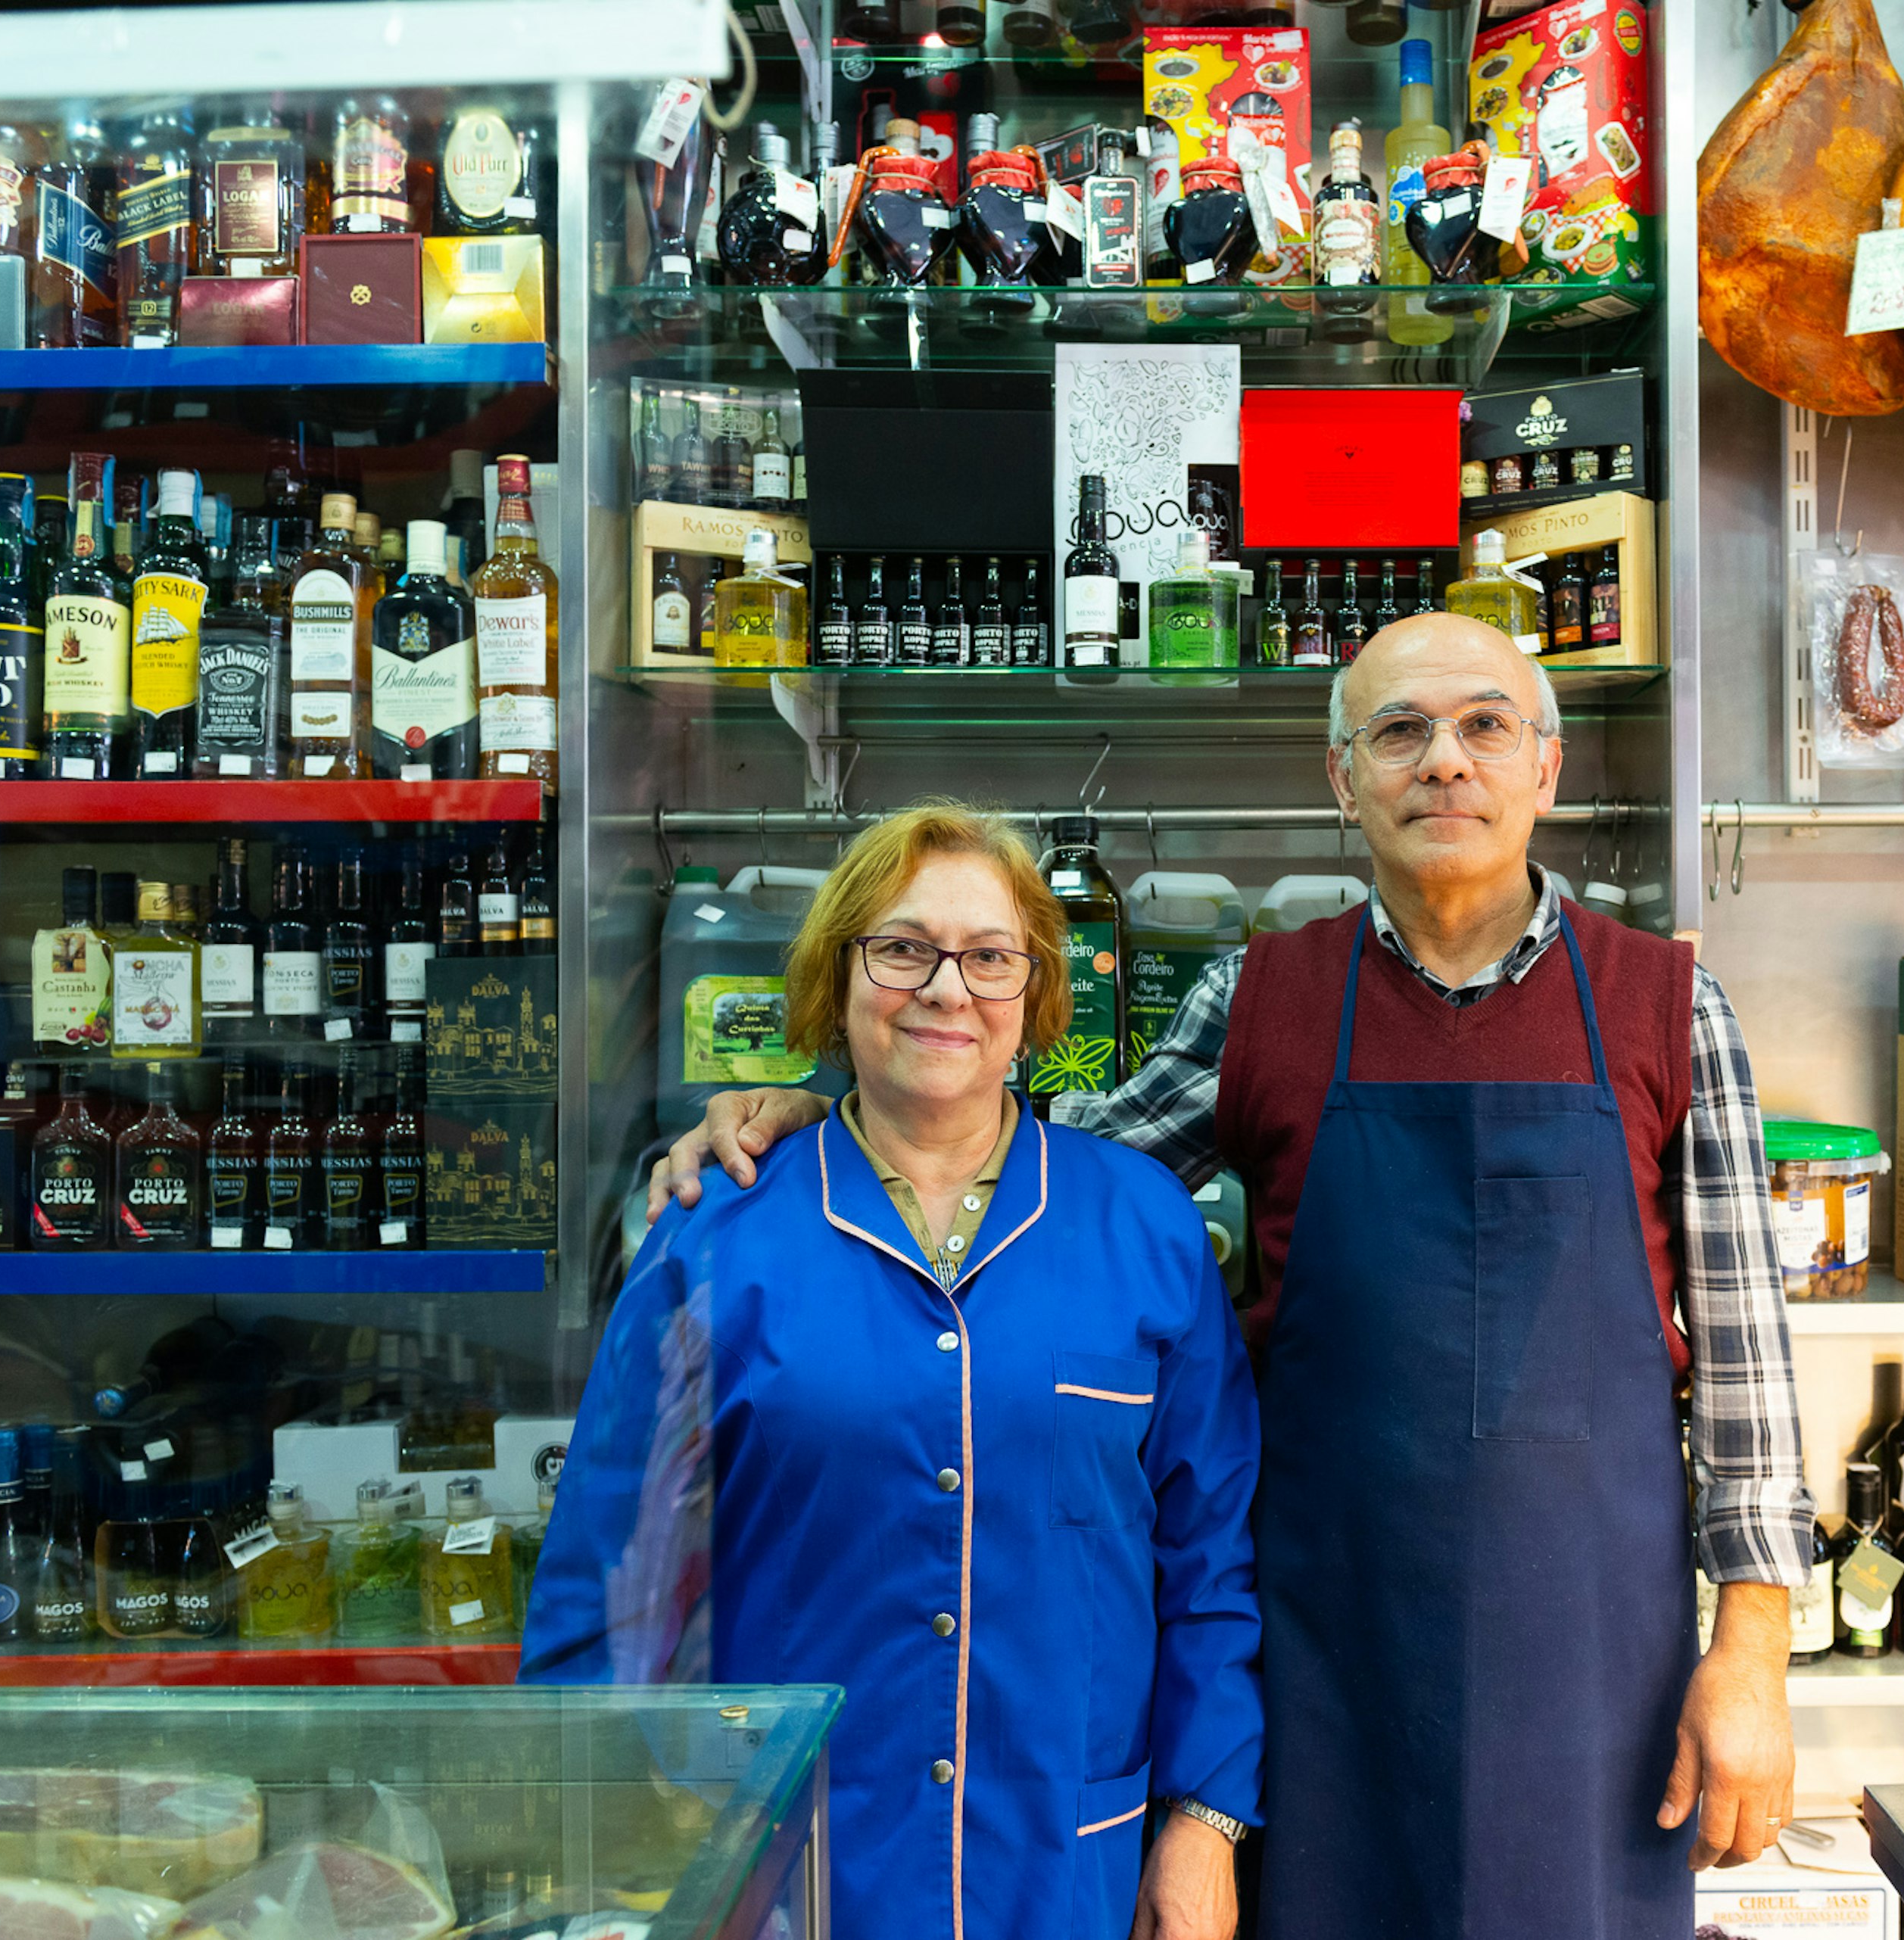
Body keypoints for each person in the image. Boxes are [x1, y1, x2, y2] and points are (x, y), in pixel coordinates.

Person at [652, 616, 1811, 1938]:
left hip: (1592, 1662)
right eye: (1400, 733)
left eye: (1486, 726)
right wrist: (825, 1117)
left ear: (1545, 769)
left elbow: (1746, 1357)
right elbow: (1025, 1163)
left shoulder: (1668, 1005)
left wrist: (1753, 1656)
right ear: (1342, 780)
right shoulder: (1259, 999)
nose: (1446, 763)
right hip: (1323, 1652)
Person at [534, 804, 1261, 1940]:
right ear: (838, 975)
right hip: (788, 1868)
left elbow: (1211, 1561)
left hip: (1069, 1864)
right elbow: (614, 1570)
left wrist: (1204, 1821)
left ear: (1036, 994)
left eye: (989, 956)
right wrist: (615, 1838)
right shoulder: (716, 1229)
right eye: (901, 948)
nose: (945, 987)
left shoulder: (1145, 1226)